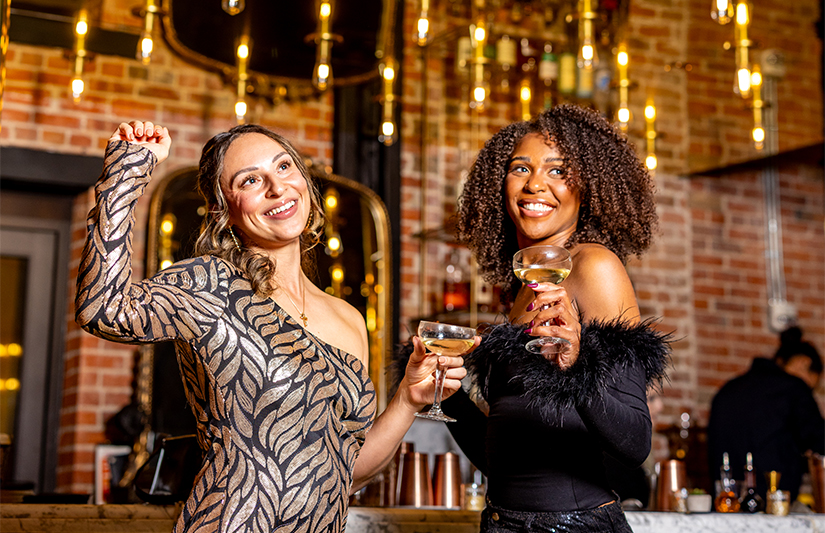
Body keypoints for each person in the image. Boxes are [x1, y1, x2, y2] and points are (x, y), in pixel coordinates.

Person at [75, 121, 472, 532]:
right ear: (222, 208)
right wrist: (126, 172)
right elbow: (101, 308)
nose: (277, 188)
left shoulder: (348, 318)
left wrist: (408, 399)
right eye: (251, 180)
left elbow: (344, 472)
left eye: (284, 167)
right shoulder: (209, 284)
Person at [439, 104, 672, 532]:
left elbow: (635, 441)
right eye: (520, 168)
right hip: (504, 524)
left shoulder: (594, 268)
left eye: (559, 171)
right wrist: (443, 390)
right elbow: (507, 460)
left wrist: (573, 365)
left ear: (590, 187)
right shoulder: (526, 287)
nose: (535, 185)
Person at [708, 326, 824, 502]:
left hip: (726, 502)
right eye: (811, 385)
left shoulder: (727, 390)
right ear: (803, 363)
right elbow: (819, 439)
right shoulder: (794, 389)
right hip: (773, 504)